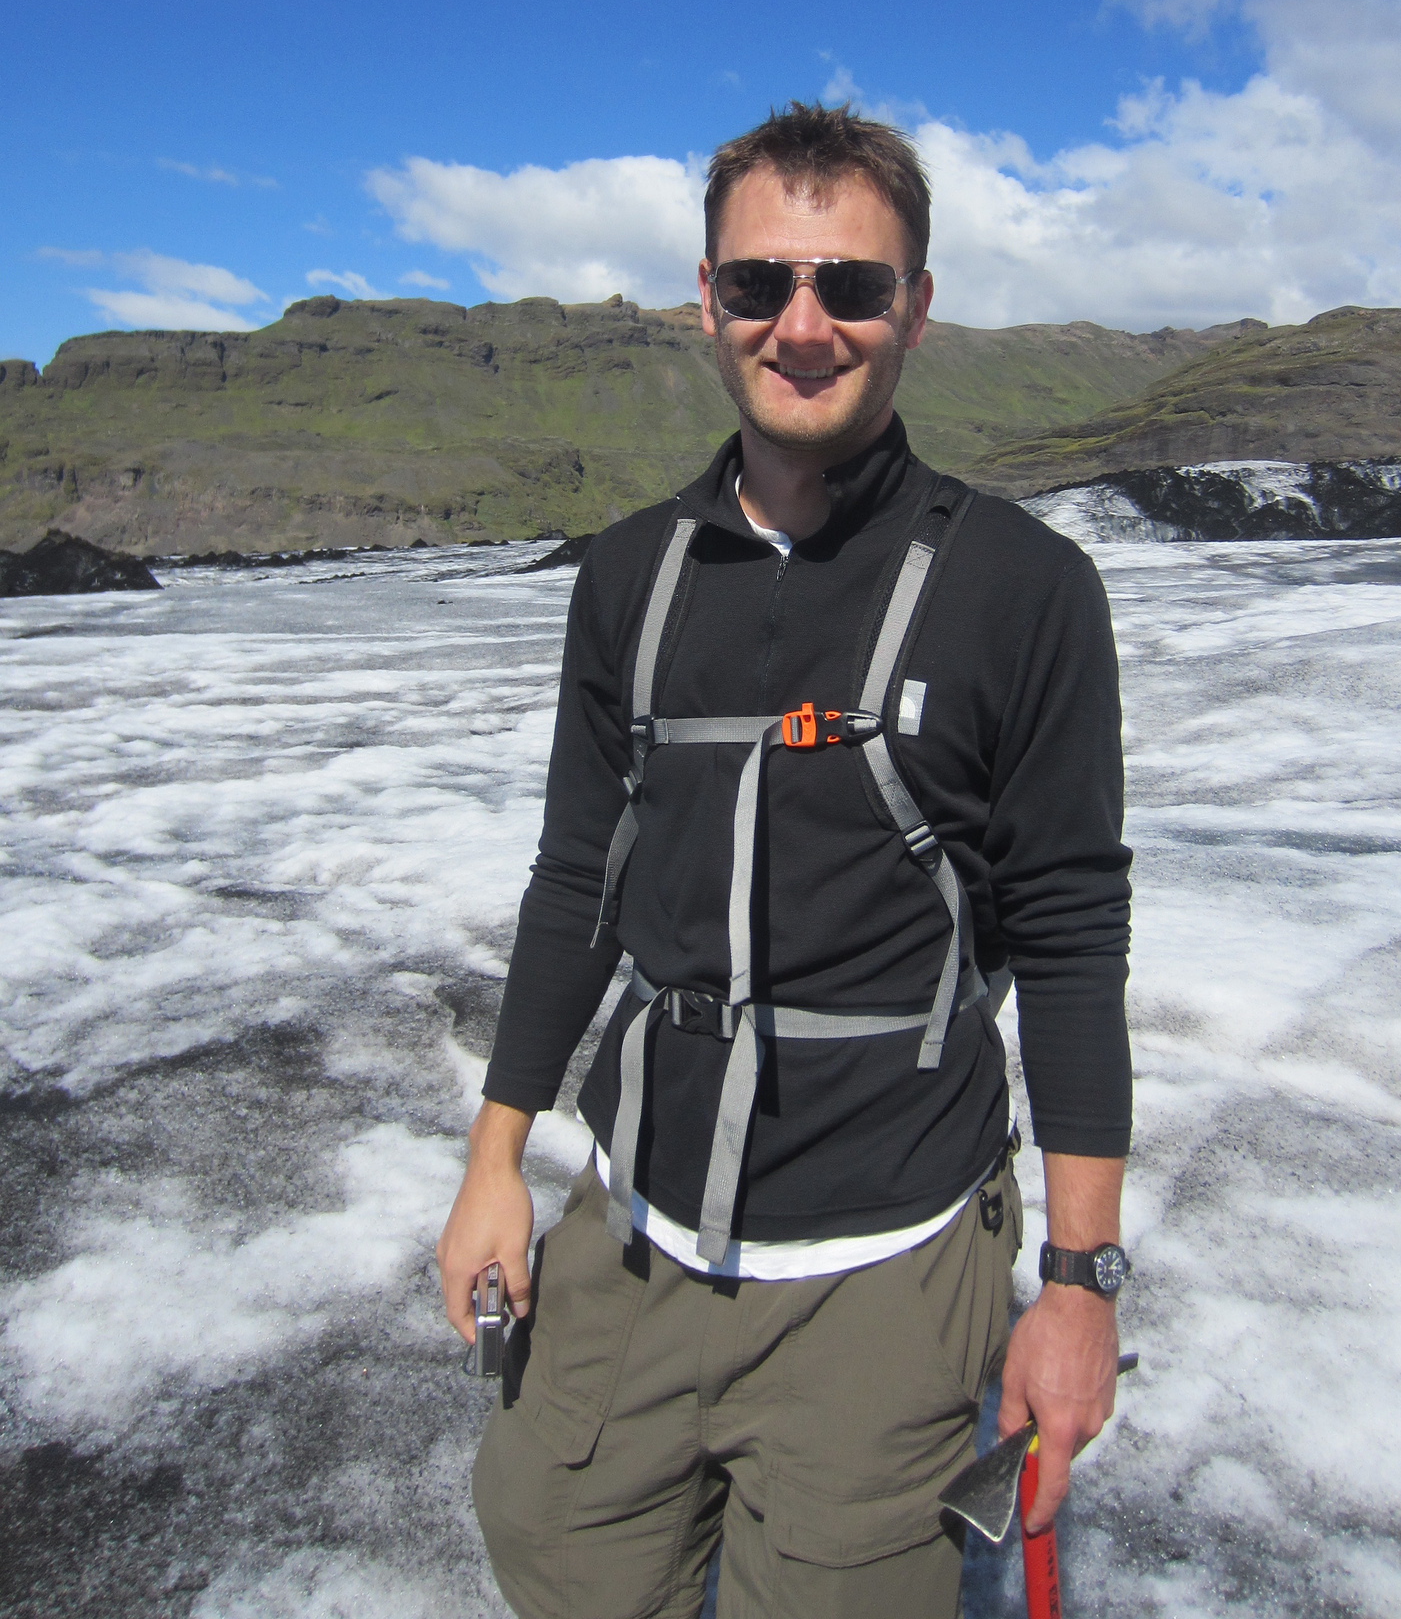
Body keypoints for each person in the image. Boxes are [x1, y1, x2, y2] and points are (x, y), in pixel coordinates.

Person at [436, 102, 1133, 1619]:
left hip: (889, 1257)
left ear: (916, 309)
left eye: (852, 286)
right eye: (760, 283)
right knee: (554, 1546)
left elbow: (1074, 938)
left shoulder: (1024, 589)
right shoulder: (631, 575)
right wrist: (495, 1161)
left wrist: (1080, 1289)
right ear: (708, 298)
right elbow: (577, 877)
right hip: (636, 1228)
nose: (802, 325)